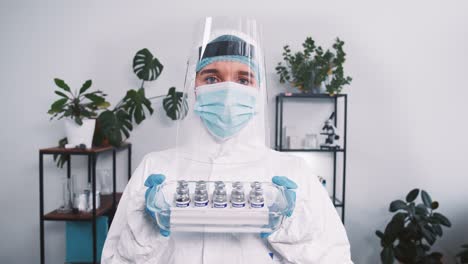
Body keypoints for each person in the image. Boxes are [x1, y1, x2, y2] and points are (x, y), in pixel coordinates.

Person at [101, 17, 353, 263]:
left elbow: (335, 257)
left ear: (257, 90)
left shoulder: (293, 174)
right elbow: (113, 259)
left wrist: (293, 230)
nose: (229, 91)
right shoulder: (155, 169)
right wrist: (145, 232)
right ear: (193, 87)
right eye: (211, 78)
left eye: (243, 79)